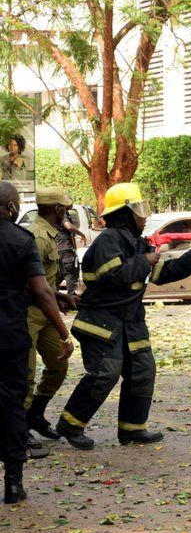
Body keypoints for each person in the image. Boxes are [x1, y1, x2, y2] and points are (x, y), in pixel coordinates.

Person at [56, 183, 191, 450]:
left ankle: (132, 429)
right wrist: (144, 261)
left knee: (142, 371)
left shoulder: (138, 243)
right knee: (106, 373)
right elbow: (112, 275)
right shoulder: (108, 240)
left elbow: (162, 274)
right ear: (124, 214)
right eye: (139, 210)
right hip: (102, 323)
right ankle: (70, 424)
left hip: (131, 323)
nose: (144, 216)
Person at [0, 182, 71, 504]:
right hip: (10, 334)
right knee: (12, 404)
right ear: (12, 208)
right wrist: (64, 331)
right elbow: (40, 291)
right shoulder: (20, 239)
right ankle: (13, 483)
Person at [25, 188, 79, 447]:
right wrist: (63, 330)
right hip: (29, 313)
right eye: (64, 208)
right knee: (25, 374)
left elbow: (42, 280)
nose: (66, 212)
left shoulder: (49, 233)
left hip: (45, 308)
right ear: (57, 209)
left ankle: (34, 414)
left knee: (58, 366)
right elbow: (29, 283)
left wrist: (56, 295)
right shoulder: (36, 236)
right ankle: (17, 429)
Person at [57, 206, 86, 296]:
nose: (71, 205)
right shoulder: (62, 214)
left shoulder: (56, 214)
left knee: (60, 274)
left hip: (59, 248)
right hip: (65, 249)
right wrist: (81, 234)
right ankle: (71, 299)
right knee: (70, 274)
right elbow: (68, 226)